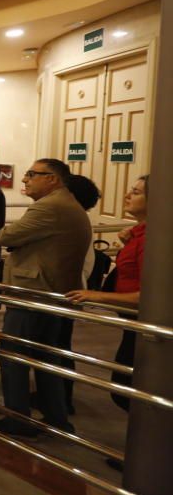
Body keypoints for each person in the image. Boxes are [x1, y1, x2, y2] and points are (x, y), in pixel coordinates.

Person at [0, 159, 91, 437]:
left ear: (52, 178)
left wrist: (14, 238)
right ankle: (56, 418)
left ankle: (18, 419)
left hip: (34, 292)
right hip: (50, 292)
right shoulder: (67, 204)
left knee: (13, 355)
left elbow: (5, 235)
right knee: (45, 357)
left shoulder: (49, 206)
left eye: (32, 174)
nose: (26, 180)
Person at [66, 175, 147, 412]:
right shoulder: (138, 234)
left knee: (128, 389)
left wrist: (96, 295)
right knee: (125, 386)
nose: (127, 195)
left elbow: (150, 293)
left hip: (143, 321)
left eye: (136, 192)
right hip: (131, 321)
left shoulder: (152, 239)